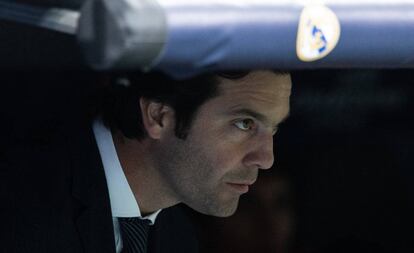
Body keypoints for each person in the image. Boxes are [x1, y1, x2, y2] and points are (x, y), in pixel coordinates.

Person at [1, 70, 292, 253]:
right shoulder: (20, 209)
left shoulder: (178, 238)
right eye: (244, 123)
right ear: (158, 116)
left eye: (274, 129)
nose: (266, 159)